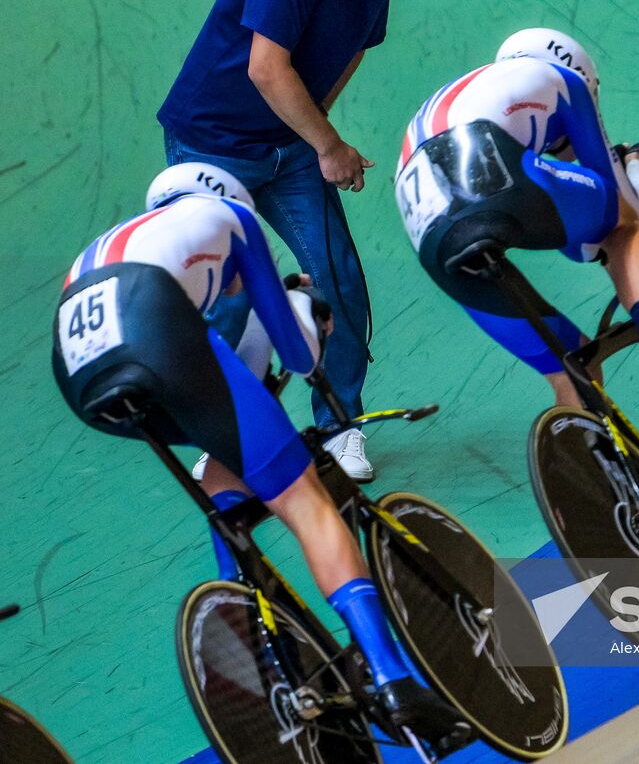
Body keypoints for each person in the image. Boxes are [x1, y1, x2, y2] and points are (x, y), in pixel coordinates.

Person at [50, 163, 468, 747]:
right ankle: (394, 678)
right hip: (156, 331)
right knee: (307, 502)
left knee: (225, 450)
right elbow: (296, 354)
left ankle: (238, 605)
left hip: (83, 381)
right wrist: (305, 311)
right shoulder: (231, 218)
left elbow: (223, 383)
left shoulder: (137, 242)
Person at [157, 0, 438, 481]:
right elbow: (265, 67)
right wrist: (330, 145)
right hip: (213, 148)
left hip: (287, 150)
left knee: (335, 278)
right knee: (223, 298)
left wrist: (315, 136)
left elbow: (353, 49)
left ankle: (339, 429)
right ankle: (226, 437)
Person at [395, 28, 639, 421]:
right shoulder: (566, 81)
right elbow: (627, 208)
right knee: (624, 227)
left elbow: (576, 242)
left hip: (430, 234)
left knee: (572, 369)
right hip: (497, 173)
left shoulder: (486, 89)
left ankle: (597, 476)